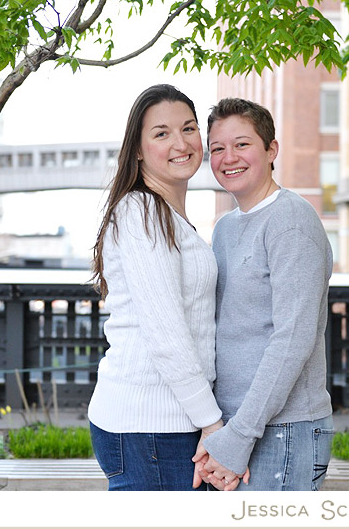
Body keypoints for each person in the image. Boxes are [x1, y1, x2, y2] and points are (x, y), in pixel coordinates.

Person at [88, 84, 235, 491]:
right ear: (137, 149)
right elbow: (167, 334)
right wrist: (213, 423)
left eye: (188, 129)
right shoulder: (140, 213)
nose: (180, 142)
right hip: (150, 428)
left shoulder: (168, 216)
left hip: (169, 424)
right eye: (161, 133)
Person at [193, 97, 334, 491]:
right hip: (236, 426)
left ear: (271, 150)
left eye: (242, 144)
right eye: (218, 148)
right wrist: (223, 430)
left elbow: (292, 339)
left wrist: (240, 436)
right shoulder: (224, 228)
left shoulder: (290, 221)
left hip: (282, 430)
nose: (228, 157)